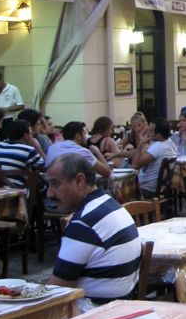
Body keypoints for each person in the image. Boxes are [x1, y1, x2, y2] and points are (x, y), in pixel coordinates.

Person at [45, 153, 141, 301]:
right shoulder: (109, 205)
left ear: (79, 181)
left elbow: (56, 290)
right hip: (120, 306)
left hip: (93, 312)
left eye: (55, 184)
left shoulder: (84, 224)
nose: (49, 193)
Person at [46, 121, 112, 179]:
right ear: (78, 136)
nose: (86, 137)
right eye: (84, 134)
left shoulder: (52, 148)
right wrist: (98, 152)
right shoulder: (82, 152)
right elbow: (107, 172)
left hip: (52, 188)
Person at [132, 118, 177, 197]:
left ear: (159, 135)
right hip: (161, 187)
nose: (148, 133)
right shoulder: (170, 143)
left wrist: (140, 144)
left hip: (148, 189)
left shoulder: (158, 147)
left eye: (151, 131)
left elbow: (135, 165)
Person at [0, 117, 44, 185]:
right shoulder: (28, 150)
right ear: (25, 135)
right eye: (30, 133)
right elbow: (43, 168)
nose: (32, 137)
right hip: (18, 190)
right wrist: (37, 146)